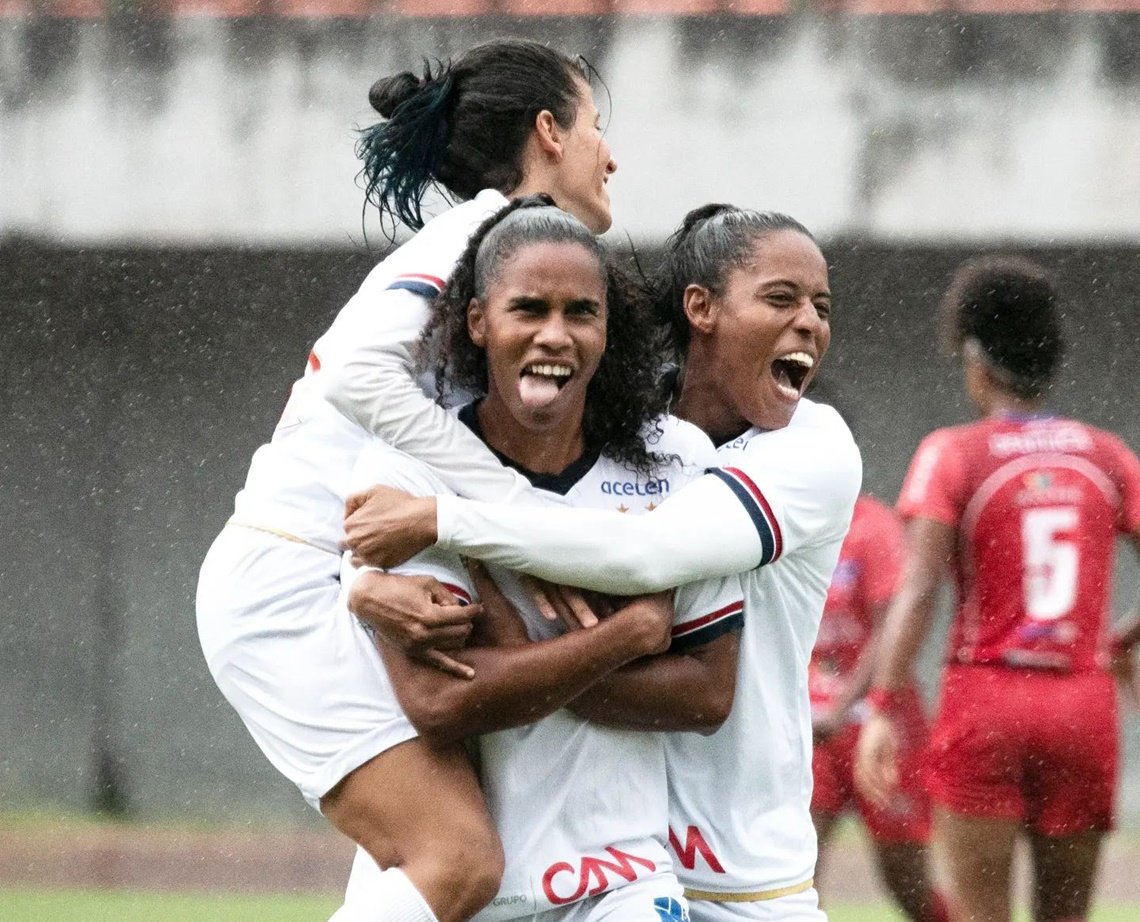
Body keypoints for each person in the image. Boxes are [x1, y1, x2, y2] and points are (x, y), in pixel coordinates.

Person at [196, 39, 620, 922]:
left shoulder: (511, 253)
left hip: (328, 570)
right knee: (458, 859)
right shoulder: (481, 233)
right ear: (548, 132)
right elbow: (357, 374)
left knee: (435, 863)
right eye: (594, 128)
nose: (609, 155)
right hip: (289, 582)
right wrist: (507, 514)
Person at [343, 205, 863, 921]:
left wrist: (454, 538)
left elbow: (648, 561)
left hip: (741, 873)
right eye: (782, 298)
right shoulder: (609, 415)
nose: (811, 322)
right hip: (620, 863)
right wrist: (358, 582)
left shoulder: (805, 450)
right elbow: (440, 689)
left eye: (822, 307)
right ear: (701, 309)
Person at [854, 256, 1140, 922]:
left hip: (985, 700)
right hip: (1082, 703)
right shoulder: (1107, 454)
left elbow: (918, 592)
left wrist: (883, 705)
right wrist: (1128, 634)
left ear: (975, 360)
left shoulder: (953, 453)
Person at [808, 482, 947, 922]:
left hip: (882, 725)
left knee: (906, 881)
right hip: (810, 732)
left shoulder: (873, 527)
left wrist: (842, 706)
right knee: (795, 875)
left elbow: (891, 628)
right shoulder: (788, 529)